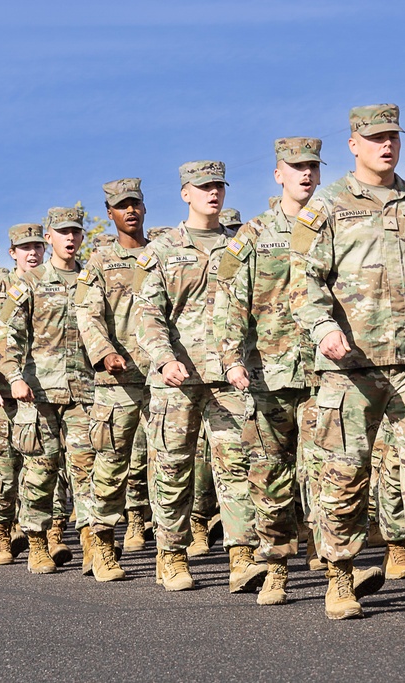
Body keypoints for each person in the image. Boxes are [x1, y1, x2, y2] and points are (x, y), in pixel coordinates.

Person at [289, 105, 405, 620]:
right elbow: (303, 281)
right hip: (349, 366)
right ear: (353, 144)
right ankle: (340, 578)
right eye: (374, 138)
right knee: (344, 476)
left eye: (392, 136)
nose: (386, 146)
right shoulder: (326, 205)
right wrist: (324, 329)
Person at [134, 160, 255, 593]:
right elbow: (147, 315)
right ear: (185, 192)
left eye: (219, 185)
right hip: (177, 380)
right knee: (172, 467)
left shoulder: (240, 246)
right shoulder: (164, 250)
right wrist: (165, 360)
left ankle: (242, 554)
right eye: (203, 186)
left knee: (236, 466)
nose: (213, 193)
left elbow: (252, 307)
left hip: (228, 377)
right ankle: (171, 556)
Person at [214, 137, 324, 604]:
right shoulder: (254, 233)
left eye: (312, 167)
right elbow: (229, 300)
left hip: (325, 371)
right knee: (271, 475)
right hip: (269, 375)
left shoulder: (331, 222)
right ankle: (275, 565)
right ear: (278, 174)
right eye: (295, 167)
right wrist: (231, 360)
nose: (305, 174)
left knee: (330, 471)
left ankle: (334, 563)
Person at [0, 207, 95, 574]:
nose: (71, 238)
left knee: (87, 471)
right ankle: (36, 541)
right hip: (37, 394)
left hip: (85, 391)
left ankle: (93, 543)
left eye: (76, 231)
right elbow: (7, 338)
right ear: (50, 236)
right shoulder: (31, 282)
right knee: (41, 471)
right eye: (63, 232)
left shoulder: (90, 277)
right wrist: (15, 377)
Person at [76, 178, 150, 581]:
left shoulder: (162, 251)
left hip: (164, 377)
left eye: (135, 203)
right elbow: (88, 314)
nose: (131, 211)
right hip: (117, 380)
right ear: (110, 213)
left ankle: (169, 548)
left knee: (168, 465)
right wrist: (104, 352)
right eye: (122, 206)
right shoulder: (100, 262)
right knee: (111, 464)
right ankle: (101, 543)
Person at [0, 224, 45, 565]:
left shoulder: (55, 284)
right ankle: (1, 533)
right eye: (25, 247)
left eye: (37, 246)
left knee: (42, 469)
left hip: (42, 394)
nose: (33, 253)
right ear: (13, 253)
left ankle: (40, 537)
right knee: (2, 472)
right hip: (1, 397)